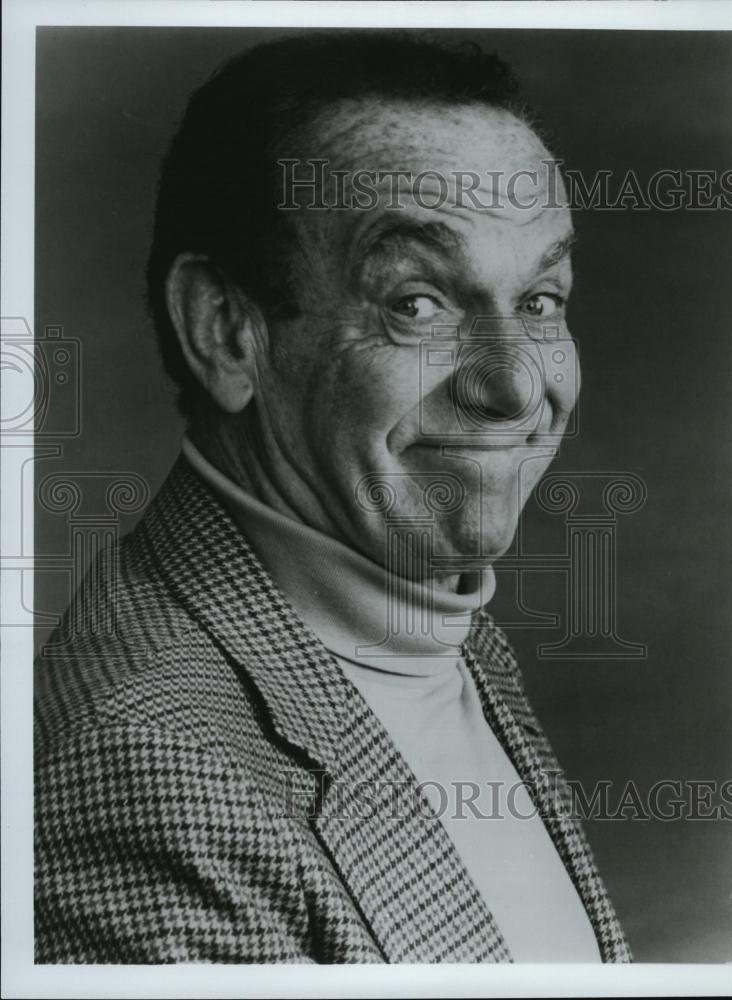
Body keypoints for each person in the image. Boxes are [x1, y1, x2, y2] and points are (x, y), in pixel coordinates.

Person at [34, 31, 631, 964]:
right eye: (418, 303)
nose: (514, 389)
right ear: (227, 333)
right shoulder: (145, 769)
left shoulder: (421, 622)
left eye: (541, 301)